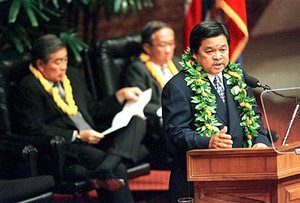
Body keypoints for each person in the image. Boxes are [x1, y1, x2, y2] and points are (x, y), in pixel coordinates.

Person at [13, 34, 146, 203]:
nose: (63, 67)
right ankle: (110, 165)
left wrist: (119, 97)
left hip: (95, 135)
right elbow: (34, 129)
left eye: (65, 60)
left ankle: (106, 166)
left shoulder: (73, 76)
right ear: (40, 64)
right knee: (118, 168)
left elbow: (93, 110)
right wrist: (77, 135)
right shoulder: (29, 87)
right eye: (57, 62)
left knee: (137, 120)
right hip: (70, 145)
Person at [161, 20, 271, 203]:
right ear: (195, 54)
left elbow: (254, 119)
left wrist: (261, 142)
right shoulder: (177, 87)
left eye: (223, 49)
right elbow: (176, 134)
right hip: (198, 182)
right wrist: (208, 141)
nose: (218, 57)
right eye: (210, 51)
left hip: (240, 176)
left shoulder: (238, 77)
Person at [124, 20, 180, 169]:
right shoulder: (138, 69)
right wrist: (164, 111)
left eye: (171, 44)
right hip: (158, 123)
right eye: (162, 45)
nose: (168, 50)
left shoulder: (178, 64)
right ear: (147, 47)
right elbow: (140, 102)